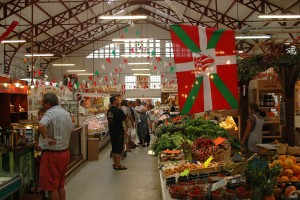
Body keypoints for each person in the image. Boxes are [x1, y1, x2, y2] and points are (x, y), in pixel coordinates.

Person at [38, 92, 74, 200]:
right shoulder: (65, 113)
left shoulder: (50, 113)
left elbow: (41, 125)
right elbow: (72, 128)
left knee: (51, 188)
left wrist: (46, 138)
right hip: (65, 153)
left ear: (48, 104)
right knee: (60, 185)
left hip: (53, 155)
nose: (42, 105)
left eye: (43, 102)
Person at [107, 96, 127, 170]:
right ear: (114, 101)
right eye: (118, 100)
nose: (119, 101)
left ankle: (115, 164)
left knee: (114, 148)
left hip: (112, 132)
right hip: (119, 132)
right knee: (118, 149)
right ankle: (118, 165)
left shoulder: (109, 111)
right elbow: (125, 119)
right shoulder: (119, 111)